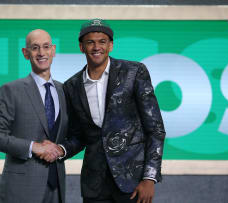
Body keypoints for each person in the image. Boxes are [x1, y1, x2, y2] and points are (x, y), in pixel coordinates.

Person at [60, 19, 166, 203]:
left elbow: (155, 129)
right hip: (95, 186)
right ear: (81, 47)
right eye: (90, 42)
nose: (96, 47)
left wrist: (149, 177)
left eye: (102, 42)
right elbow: (80, 136)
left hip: (133, 184)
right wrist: (59, 150)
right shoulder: (72, 85)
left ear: (111, 45)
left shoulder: (134, 72)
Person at [0, 29, 68, 203]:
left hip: (56, 187)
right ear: (26, 53)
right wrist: (33, 147)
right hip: (21, 189)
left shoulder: (65, 91)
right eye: (35, 48)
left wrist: (61, 149)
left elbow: (75, 135)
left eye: (46, 47)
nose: (41, 53)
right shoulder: (11, 90)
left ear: (53, 50)